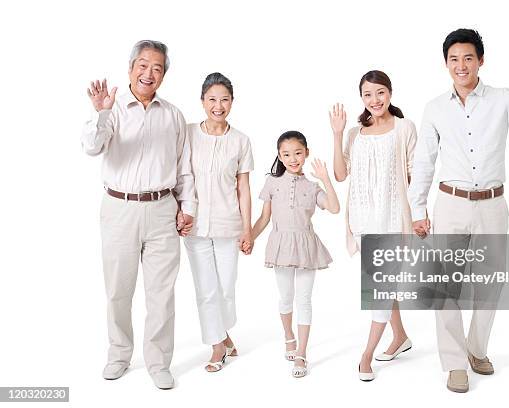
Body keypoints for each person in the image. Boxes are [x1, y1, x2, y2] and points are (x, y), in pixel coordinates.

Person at [408, 29, 509, 393]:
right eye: (454, 59)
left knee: (490, 285)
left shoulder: (502, 99)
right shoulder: (435, 108)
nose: (461, 65)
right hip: (451, 204)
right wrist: (418, 207)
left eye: (468, 58)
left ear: (481, 61)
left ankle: (476, 349)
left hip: (492, 204)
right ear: (446, 64)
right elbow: (423, 161)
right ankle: (455, 363)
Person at [81, 40, 196, 390]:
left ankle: (159, 361)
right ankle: (119, 354)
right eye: (143, 65)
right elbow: (91, 147)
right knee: (119, 289)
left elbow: (184, 168)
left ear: (163, 75)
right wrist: (101, 112)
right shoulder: (112, 110)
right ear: (130, 68)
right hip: (119, 209)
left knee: (162, 293)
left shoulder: (173, 115)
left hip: (163, 209)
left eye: (157, 67)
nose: (149, 73)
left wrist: (187, 207)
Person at [330, 70, 417, 381]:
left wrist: (419, 214)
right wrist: (338, 133)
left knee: (378, 290)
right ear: (362, 98)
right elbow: (341, 176)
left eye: (380, 92)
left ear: (390, 93)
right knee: (384, 286)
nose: (375, 100)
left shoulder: (405, 128)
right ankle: (400, 337)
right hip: (363, 222)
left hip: (392, 222)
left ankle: (366, 355)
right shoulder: (355, 134)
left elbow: (414, 175)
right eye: (368, 94)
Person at [178, 72, 254, 373]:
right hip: (194, 226)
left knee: (225, 288)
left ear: (232, 102)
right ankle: (217, 346)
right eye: (212, 99)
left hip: (228, 225)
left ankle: (223, 333)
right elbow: (180, 177)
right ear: (202, 101)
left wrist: (247, 228)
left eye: (224, 100)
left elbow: (243, 188)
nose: (218, 106)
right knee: (206, 289)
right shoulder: (187, 133)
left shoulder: (241, 141)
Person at [252, 131, 340, 378]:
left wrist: (325, 179)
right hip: (280, 244)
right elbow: (264, 218)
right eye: (286, 154)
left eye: (298, 153)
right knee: (286, 297)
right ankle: (288, 335)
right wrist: (248, 237)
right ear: (279, 156)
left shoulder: (312, 187)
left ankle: (302, 352)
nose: (293, 158)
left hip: (306, 246)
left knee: (304, 300)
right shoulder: (272, 182)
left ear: (306, 153)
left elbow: (334, 208)